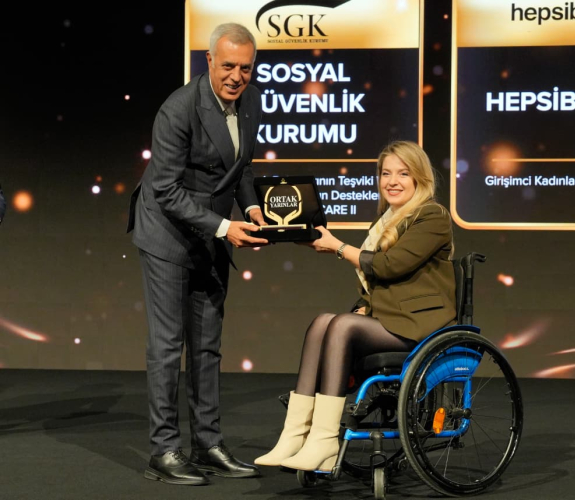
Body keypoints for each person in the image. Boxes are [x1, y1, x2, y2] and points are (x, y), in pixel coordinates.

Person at [254, 141, 456, 472]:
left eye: (403, 174)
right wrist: (365, 305)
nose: (392, 181)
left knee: (342, 325)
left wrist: (337, 247)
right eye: (386, 173)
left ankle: (324, 440)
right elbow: (380, 282)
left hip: (421, 324)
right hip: (394, 317)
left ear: (419, 178)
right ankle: (295, 434)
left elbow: (389, 266)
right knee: (322, 322)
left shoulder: (432, 216)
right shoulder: (387, 220)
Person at [127, 22, 268, 486]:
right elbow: (165, 190)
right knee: (168, 346)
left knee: (207, 344)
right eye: (227, 66)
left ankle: (207, 444)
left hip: (211, 234)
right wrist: (227, 227)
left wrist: (252, 207)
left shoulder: (251, 101)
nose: (236, 77)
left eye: (245, 68)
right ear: (208, 61)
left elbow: (240, 166)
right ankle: (164, 451)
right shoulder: (178, 108)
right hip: (166, 235)